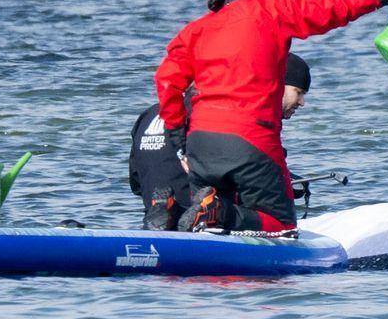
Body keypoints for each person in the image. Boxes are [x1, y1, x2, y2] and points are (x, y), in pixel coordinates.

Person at [156, 0, 388, 232]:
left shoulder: (194, 30)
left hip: (200, 145)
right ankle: (220, 213)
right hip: (251, 140)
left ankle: (195, 215)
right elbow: (336, 7)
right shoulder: (272, 9)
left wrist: (179, 141)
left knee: (210, 226)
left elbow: (167, 83)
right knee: (279, 224)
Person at [131, 55, 311, 230]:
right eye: (299, 92)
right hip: (204, 220)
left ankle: (170, 208)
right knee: (279, 221)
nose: (302, 103)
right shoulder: (227, 114)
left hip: (158, 216)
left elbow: (136, 182)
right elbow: (239, 170)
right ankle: (216, 212)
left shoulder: (148, 115)